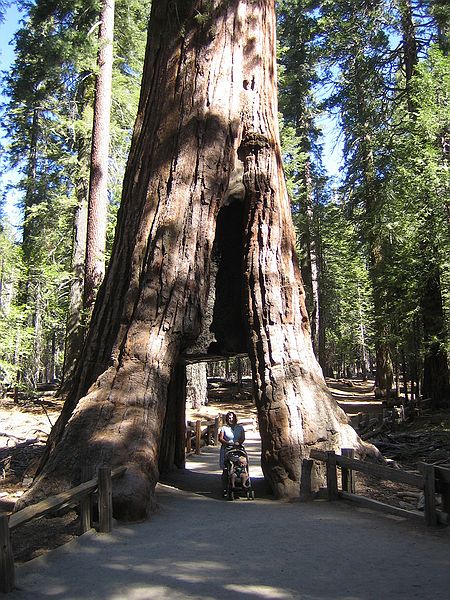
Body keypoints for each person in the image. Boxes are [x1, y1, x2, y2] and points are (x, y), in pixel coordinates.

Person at [219, 411, 245, 495]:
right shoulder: (224, 428)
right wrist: (227, 442)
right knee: (226, 468)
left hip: (237, 448)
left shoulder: (240, 428)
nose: (231, 419)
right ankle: (225, 488)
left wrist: (239, 443)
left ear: (235, 418)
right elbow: (220, 438)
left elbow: (242, 437)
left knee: (239, 464)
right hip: (227, 448)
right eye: (229, 418)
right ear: (227, 419)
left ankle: (242, 483)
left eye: (232, 417)